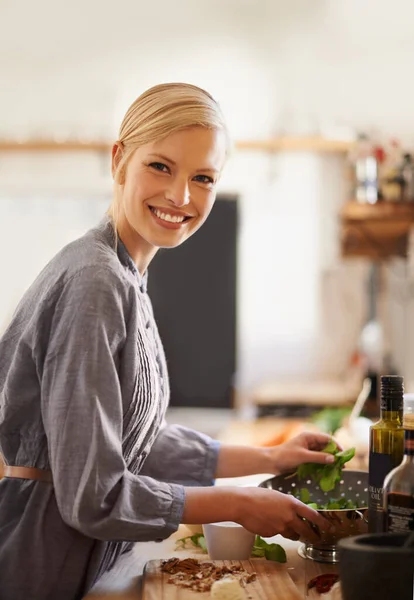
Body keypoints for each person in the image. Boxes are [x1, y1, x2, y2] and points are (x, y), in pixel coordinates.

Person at [0, 83, 337, 600]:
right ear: (119, 160)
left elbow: (127, 440)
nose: (181, 196)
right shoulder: (96, 282)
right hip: (32, 568)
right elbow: (93, 496)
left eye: (202, 177)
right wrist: (235, 504)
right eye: (161, 166)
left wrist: (269, 460)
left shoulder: (124, 273)